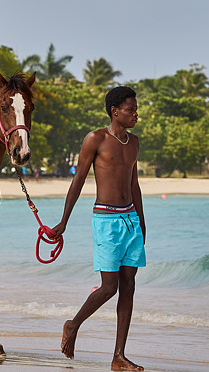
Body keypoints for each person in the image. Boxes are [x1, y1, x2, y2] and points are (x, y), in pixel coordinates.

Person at [52, 86, 146, 372]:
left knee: (128, 286)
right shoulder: (95, 139)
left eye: (136, 108)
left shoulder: (134, 143)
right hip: (106, 221)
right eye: (131, 109)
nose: (136, 114)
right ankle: (73, 324)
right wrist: (63, 221)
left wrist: (142, 221)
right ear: (115, 111)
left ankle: (119, 356)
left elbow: (134, 185)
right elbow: (78, 180)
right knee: (109, 287)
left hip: (130, 220)